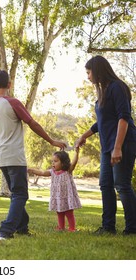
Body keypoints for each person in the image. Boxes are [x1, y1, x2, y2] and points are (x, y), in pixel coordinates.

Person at [0, 67, 67, 240]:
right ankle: (6, 230)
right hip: (15, 157)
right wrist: (51, 141)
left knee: (16, 193)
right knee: (21, 194)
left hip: (0, 158)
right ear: (9, 84)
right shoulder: (13, 102)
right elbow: (32, 123)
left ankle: (22, 227)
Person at [75, 55, 136, 235]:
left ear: (98, 70)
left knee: (122, 185)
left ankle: (132, 228)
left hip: (123, 143)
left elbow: (123, 117)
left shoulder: (117, 87)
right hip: (107, 145)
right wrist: (83, 136)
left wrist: (117, 147)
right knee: (105, 184)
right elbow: (101, 121)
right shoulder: (104, 91)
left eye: (89, 72)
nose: (88, 76)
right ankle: (108, 227)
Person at [28, 148, 82, 232]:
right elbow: (42, 173)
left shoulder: (67, 171)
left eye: (56, 161)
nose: (53, 163)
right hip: (57, 196)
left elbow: (74, 163)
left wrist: (76, 153)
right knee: (59, 212)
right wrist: (32, 170)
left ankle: (72, 228)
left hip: (67, 196)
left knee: (69, 213)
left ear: (63, 163)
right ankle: (61, 227)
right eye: (52, 161)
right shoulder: (52, 172)